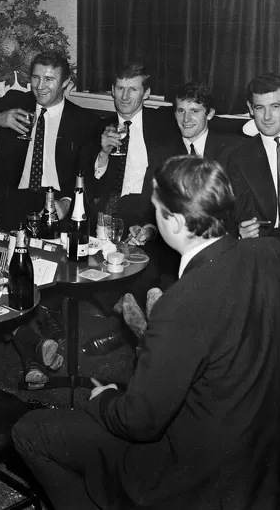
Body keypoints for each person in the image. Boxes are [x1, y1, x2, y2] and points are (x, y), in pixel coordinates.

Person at [13, 155, 280, 510]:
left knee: (30, 432)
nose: (152, 213)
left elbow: (139, 423)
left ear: (175, 222)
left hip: (196, 477)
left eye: (156, 208)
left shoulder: (180, 304)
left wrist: (102, 399)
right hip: (266, 463)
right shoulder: (270, 253)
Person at [81, 63, 181, 356]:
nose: (125, 96)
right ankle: (131, 325)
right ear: (111, 91)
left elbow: (171, 182)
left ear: (146, 93)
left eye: (133, 89)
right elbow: (88, 180)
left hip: (149, 209)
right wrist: (103, 152)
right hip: (108, 211)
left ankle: (126, 330)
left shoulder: (164, 125)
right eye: (119, 88)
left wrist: (152, 224)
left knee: (147, 266)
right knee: (89, 261)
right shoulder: (96, 126)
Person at [0, 50, 99, 230]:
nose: (40, 86)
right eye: (36, 77)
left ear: (65, 82)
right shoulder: (16, 101)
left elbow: (87, 174)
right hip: (14, 200)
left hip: (58, 201)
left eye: (49, 79)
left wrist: (67, 203)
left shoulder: (83, 120)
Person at [227, 72, 280, 245]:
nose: (267, 117)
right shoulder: (240, 159)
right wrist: (242, 230)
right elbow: (239, 215)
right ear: (250, 108)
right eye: (259, 108)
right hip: (270, 242)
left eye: (275, 106)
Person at [171, 81, 245, 163]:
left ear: (210, 114)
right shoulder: (160, 151)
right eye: (181, 111)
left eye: (194, 111)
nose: (186, 119)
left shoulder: (232, 150)